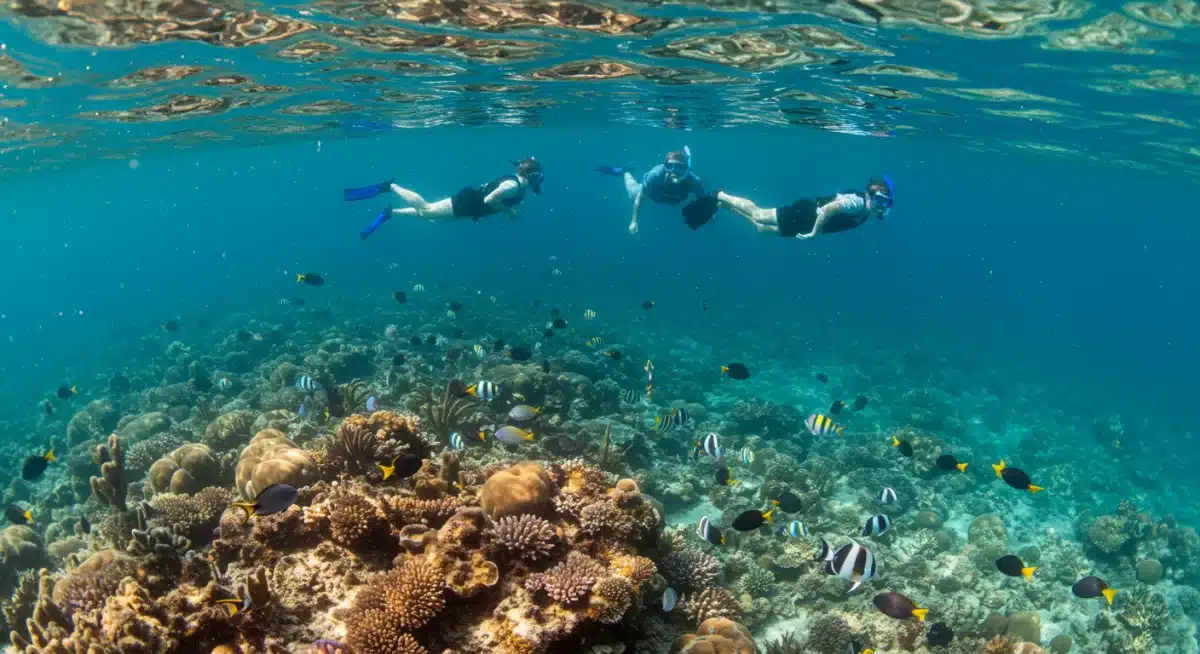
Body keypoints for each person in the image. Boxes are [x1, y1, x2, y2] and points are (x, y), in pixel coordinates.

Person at [344, 158, 544, 239]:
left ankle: (391, 212)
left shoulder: (516, 184)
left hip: (469, 208)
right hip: (467, 203)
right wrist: (509, 211)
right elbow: (489, 200)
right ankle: (390, 186)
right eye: (538, 178)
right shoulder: (512, 186)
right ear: (532, 177)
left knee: (431, 218)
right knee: (426, 209)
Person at [691, 176, 894, 239]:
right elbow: (829, 209)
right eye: (880, 200)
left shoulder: (866, 211)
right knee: (759, 214)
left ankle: (727, 207)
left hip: (807, 222)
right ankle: (721, 194)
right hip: (806, 214)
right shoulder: (858, 203)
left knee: (762, 229)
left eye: (886, 202)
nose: (881, 206)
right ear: (871, 196)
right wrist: (814, 232)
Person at [596, 148, 705, 234]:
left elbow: (703, 200)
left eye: (679, 167)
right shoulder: (656, 175)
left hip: (673, 199)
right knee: (632, 192)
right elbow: (640, 197)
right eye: (669, 166)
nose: (674, 171)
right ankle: (626, 171)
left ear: (686, 168)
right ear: (664, 166)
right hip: (653, 194)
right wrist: (634, 221)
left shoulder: (693, 181)